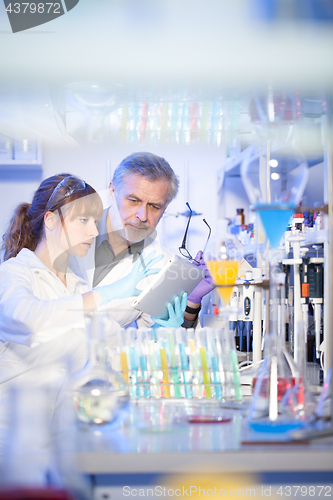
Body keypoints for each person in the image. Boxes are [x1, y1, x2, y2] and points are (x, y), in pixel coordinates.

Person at [0, 174, 163, 407]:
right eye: (84, 220)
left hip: (61, 430)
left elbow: (112, 346)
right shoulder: (14, 273)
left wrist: (160, 332)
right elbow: (29, 321)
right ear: (51, 220)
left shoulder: (76, 285)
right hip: (13, 429)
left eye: (95, 222)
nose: (94, 232)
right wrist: (105, 294)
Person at [69, 152, 214, 329]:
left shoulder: (161, 266)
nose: (142, 216)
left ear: (164, 208)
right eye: (133, 200)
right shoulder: (67, 231)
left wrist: (191, 301)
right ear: (112, 191)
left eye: (154, 206)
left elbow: (164, 344)